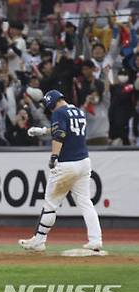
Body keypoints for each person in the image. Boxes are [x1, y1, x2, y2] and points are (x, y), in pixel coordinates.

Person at [19, 90, 102, 252]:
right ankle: (96, 239)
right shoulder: (77, 111)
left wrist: (54, 156)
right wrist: (43, 131)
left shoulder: (59, 113)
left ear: (52, 101)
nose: (47, 107)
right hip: (84, 162)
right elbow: (66, 129)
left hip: (67, 164)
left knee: (50, 204)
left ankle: (39, 240)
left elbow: (60, 135)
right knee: (85, 202)